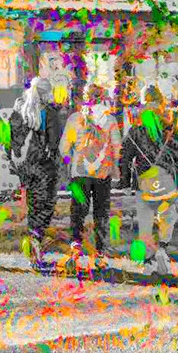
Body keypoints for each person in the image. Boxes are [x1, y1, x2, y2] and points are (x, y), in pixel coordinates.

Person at [120, 84, 178, 275]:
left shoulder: (136, 130)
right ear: (161, 103)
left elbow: (125, 157)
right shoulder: (170, 128)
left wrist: (125, 182)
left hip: (144, 181)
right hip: (167, 181)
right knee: (168, 216)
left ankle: (148, 260)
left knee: (145, 221)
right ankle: (163, 249)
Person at [60, 83, 122, 273]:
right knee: (101, 213)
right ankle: (100, 255)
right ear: (102, 97)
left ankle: (75, 249)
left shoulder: (75, 119)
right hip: (102, 173)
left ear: (84, 97)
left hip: (79, 173)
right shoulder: (110, 119)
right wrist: (114, 166)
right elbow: (117, 147)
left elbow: (63, 148)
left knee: (78, 212)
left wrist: (70, 162)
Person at [9, 77, 66, 270]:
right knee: (45, 208)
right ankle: (35, 251)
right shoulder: (49, 113)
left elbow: (11, 139)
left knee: (33, 206)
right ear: (46, 92)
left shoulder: (19, 109)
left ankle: (34, 254)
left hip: (25, 167)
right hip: (44, 167)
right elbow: (55, 142)